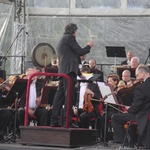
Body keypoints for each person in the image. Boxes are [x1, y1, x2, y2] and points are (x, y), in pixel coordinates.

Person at [50, 23, 94, 127]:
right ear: (74, 31)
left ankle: (54, 120)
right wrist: (89, 46)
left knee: (59, 96)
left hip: (63, 71)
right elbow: (79, 52)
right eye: (76, 32)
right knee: (69, 95)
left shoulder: (63, 39)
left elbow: (72, 56)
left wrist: (79, 74)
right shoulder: (70, 38)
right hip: (69, 72)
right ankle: (67, 121)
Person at [111, 64, 150, 149]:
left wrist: (128, 110)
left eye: (136, 75)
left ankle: (125, 143)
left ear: (142, 73)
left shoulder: (141, 88)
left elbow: (137, 107)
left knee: (115, 117)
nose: (136, 77)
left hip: (143, 115)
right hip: (146, 114)